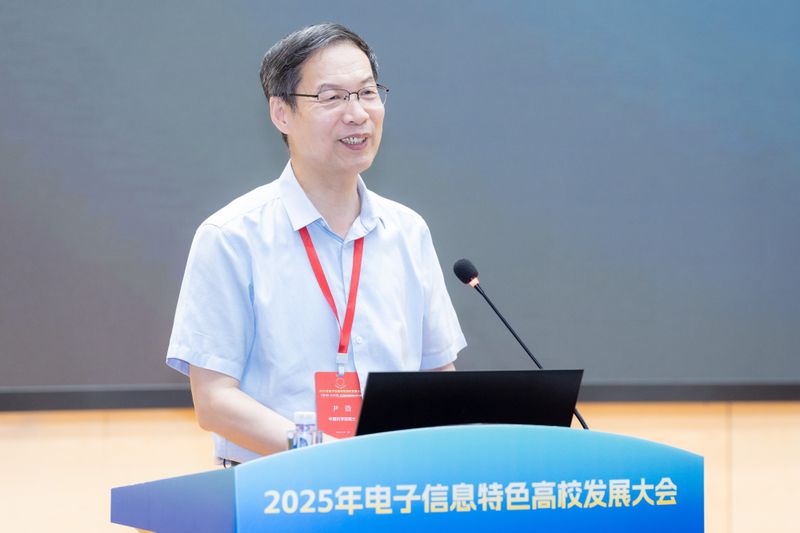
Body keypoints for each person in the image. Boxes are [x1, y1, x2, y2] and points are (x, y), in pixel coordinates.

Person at [166, 23, 466, 464]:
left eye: (367, 93)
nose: (357, 113)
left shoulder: (408, 231)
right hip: (274, 485)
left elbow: (437, 372)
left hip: (391, 483)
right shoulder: (231, 237)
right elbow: (214, 401)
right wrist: (324, 455)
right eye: (332, 97)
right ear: (281, 113)